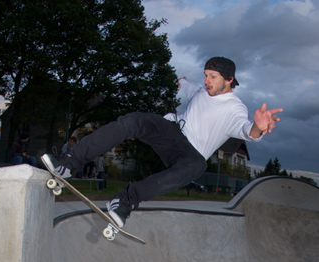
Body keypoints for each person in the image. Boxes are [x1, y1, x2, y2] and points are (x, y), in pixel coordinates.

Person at [42, 57, 282, 228]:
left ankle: (126, 199)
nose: (207, 81)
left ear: (229, 80)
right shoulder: (200, 90)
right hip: (169, 132)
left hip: (190, 153)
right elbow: (189, 86)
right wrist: (182, 81)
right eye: (206, 76)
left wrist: (258, 128)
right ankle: (69, 163)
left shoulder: (234, 107)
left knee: (197, 167)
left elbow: (245, 128)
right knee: (133, 121)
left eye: (213, 77)